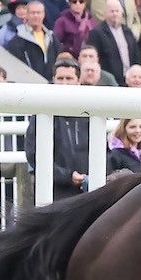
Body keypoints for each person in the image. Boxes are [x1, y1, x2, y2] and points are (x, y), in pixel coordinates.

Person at [24, 55, 92, 198]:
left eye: (69, 79)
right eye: (60, 79)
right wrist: (67, 176)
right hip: (54, 192)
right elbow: (34, 155)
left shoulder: (90, 112)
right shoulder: (41, 114)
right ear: (53, 80)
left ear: (78, 81)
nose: (64, 83)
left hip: (88, 189)